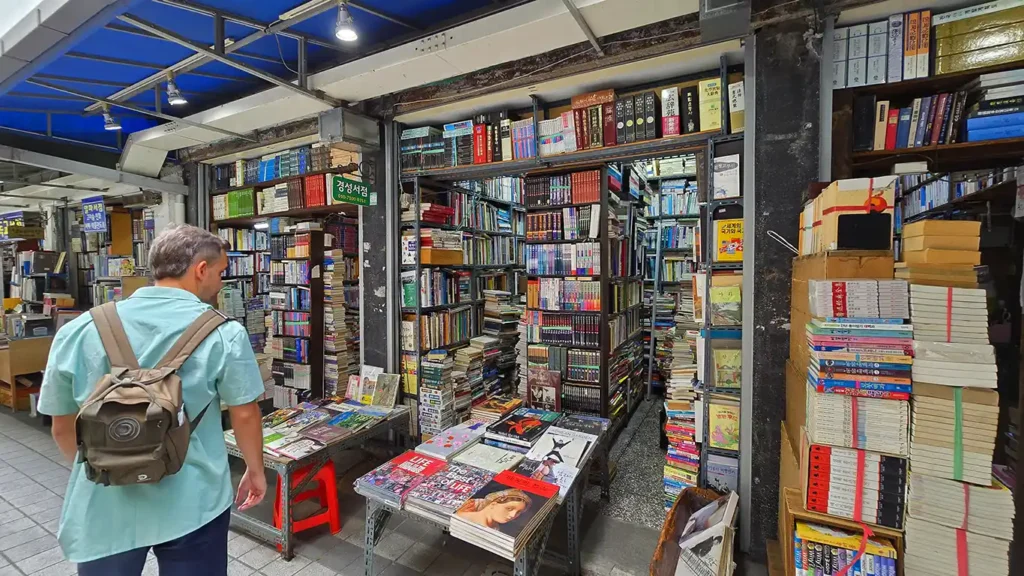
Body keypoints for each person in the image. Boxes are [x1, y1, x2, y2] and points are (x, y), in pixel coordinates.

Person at [38, 224, 268, 576]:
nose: (222, 283)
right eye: (221, 272)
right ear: (201, 270)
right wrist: (255, 470)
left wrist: (109, 465)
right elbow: (246, 414)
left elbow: (61, 426)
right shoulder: (225, 333)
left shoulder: (79, 329)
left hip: (107, 504)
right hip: (194, 499)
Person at [455, 488, 532, 529]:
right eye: (509, 508)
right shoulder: (464, 517)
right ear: (493, 504)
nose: (513, 515)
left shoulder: (495, 527)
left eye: (518, 512)